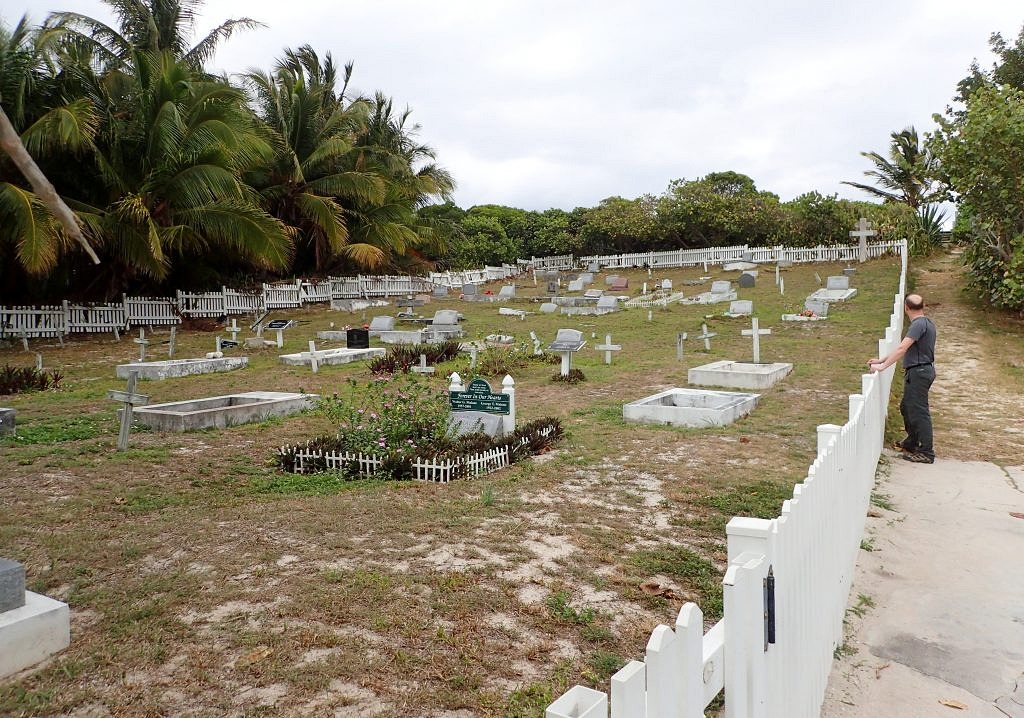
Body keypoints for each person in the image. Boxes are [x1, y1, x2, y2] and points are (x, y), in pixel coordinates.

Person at [867, 293, 937, 464]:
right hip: (920, 371)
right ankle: (912, 442)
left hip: (919, 372)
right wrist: (882, 359)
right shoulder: (925, 323)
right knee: (907, 407)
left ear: (905, 308)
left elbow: (902, 349)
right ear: (923, 305)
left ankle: (926, 451)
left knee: (919, 411)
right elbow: (901, 347)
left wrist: (883, 367)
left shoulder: (918, 325)